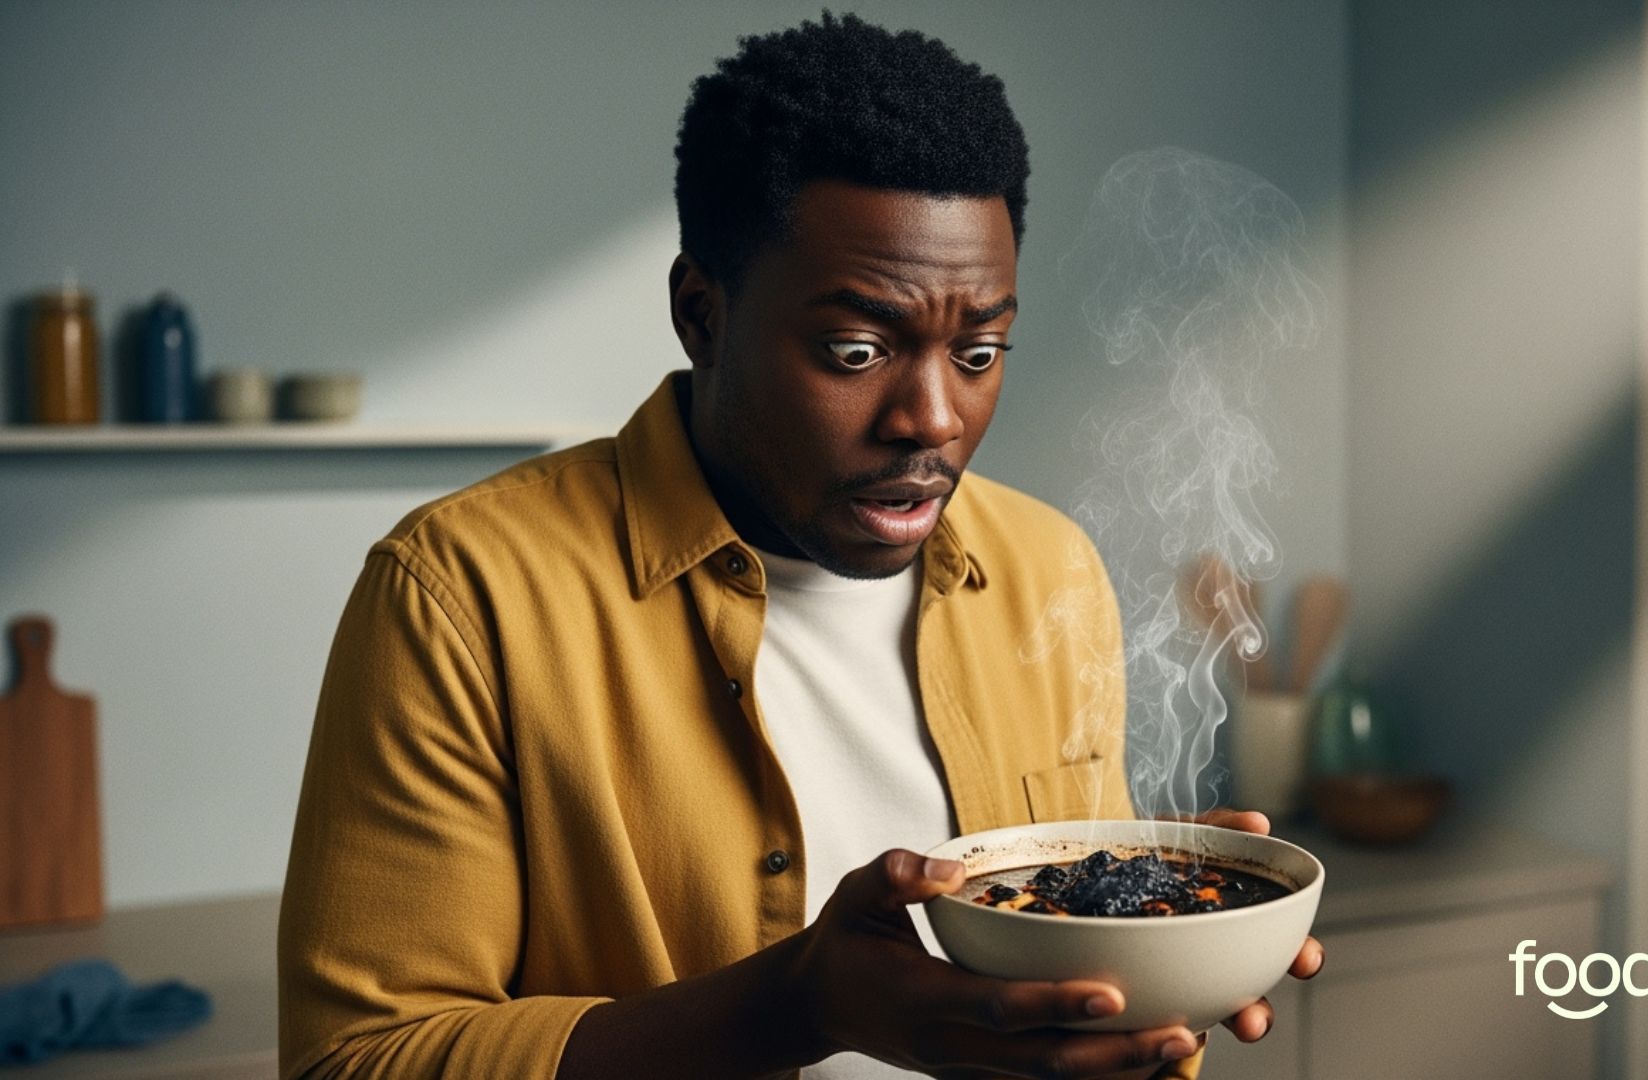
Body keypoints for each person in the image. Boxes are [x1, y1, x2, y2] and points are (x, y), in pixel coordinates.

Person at [276, 12, 1321, 1080]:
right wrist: (793, 1007)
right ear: (702, 313)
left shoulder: (1046, 567)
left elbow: (1066, 999)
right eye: (857, 348)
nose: (931, 417)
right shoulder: (461, 595)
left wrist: (1161, 957)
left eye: (979, 350)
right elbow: (357, 1061)